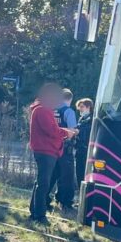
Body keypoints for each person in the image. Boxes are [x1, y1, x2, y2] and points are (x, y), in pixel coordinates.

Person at [29, 83, 77, 225]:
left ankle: (35, 212)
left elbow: (51, 129)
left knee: (41, 183)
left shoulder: (42, 109)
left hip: (45, 150)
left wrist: (61, 131)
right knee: (43, 184)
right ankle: (39, 216)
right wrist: (66, 132)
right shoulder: (43, 110)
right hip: (46, 151)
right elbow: (52, 130)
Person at [48, 88, 79, 209]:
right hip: (65, 148)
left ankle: (45, 199)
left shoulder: (52, 111)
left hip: (52, 147)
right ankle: (65, 202)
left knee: (52, 174)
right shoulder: (68, 111)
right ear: (70, 99)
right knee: (67, 176)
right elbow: (72, 130)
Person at [74, 98, 94, 184]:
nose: (79, 109)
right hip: (79, 150)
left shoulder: (93, 120)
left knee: (86, 175)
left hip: (87, 151)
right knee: (79, 173)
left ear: (88, 106)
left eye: (82, 107)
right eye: (79, 107)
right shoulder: (81, 119)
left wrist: (79, 132)